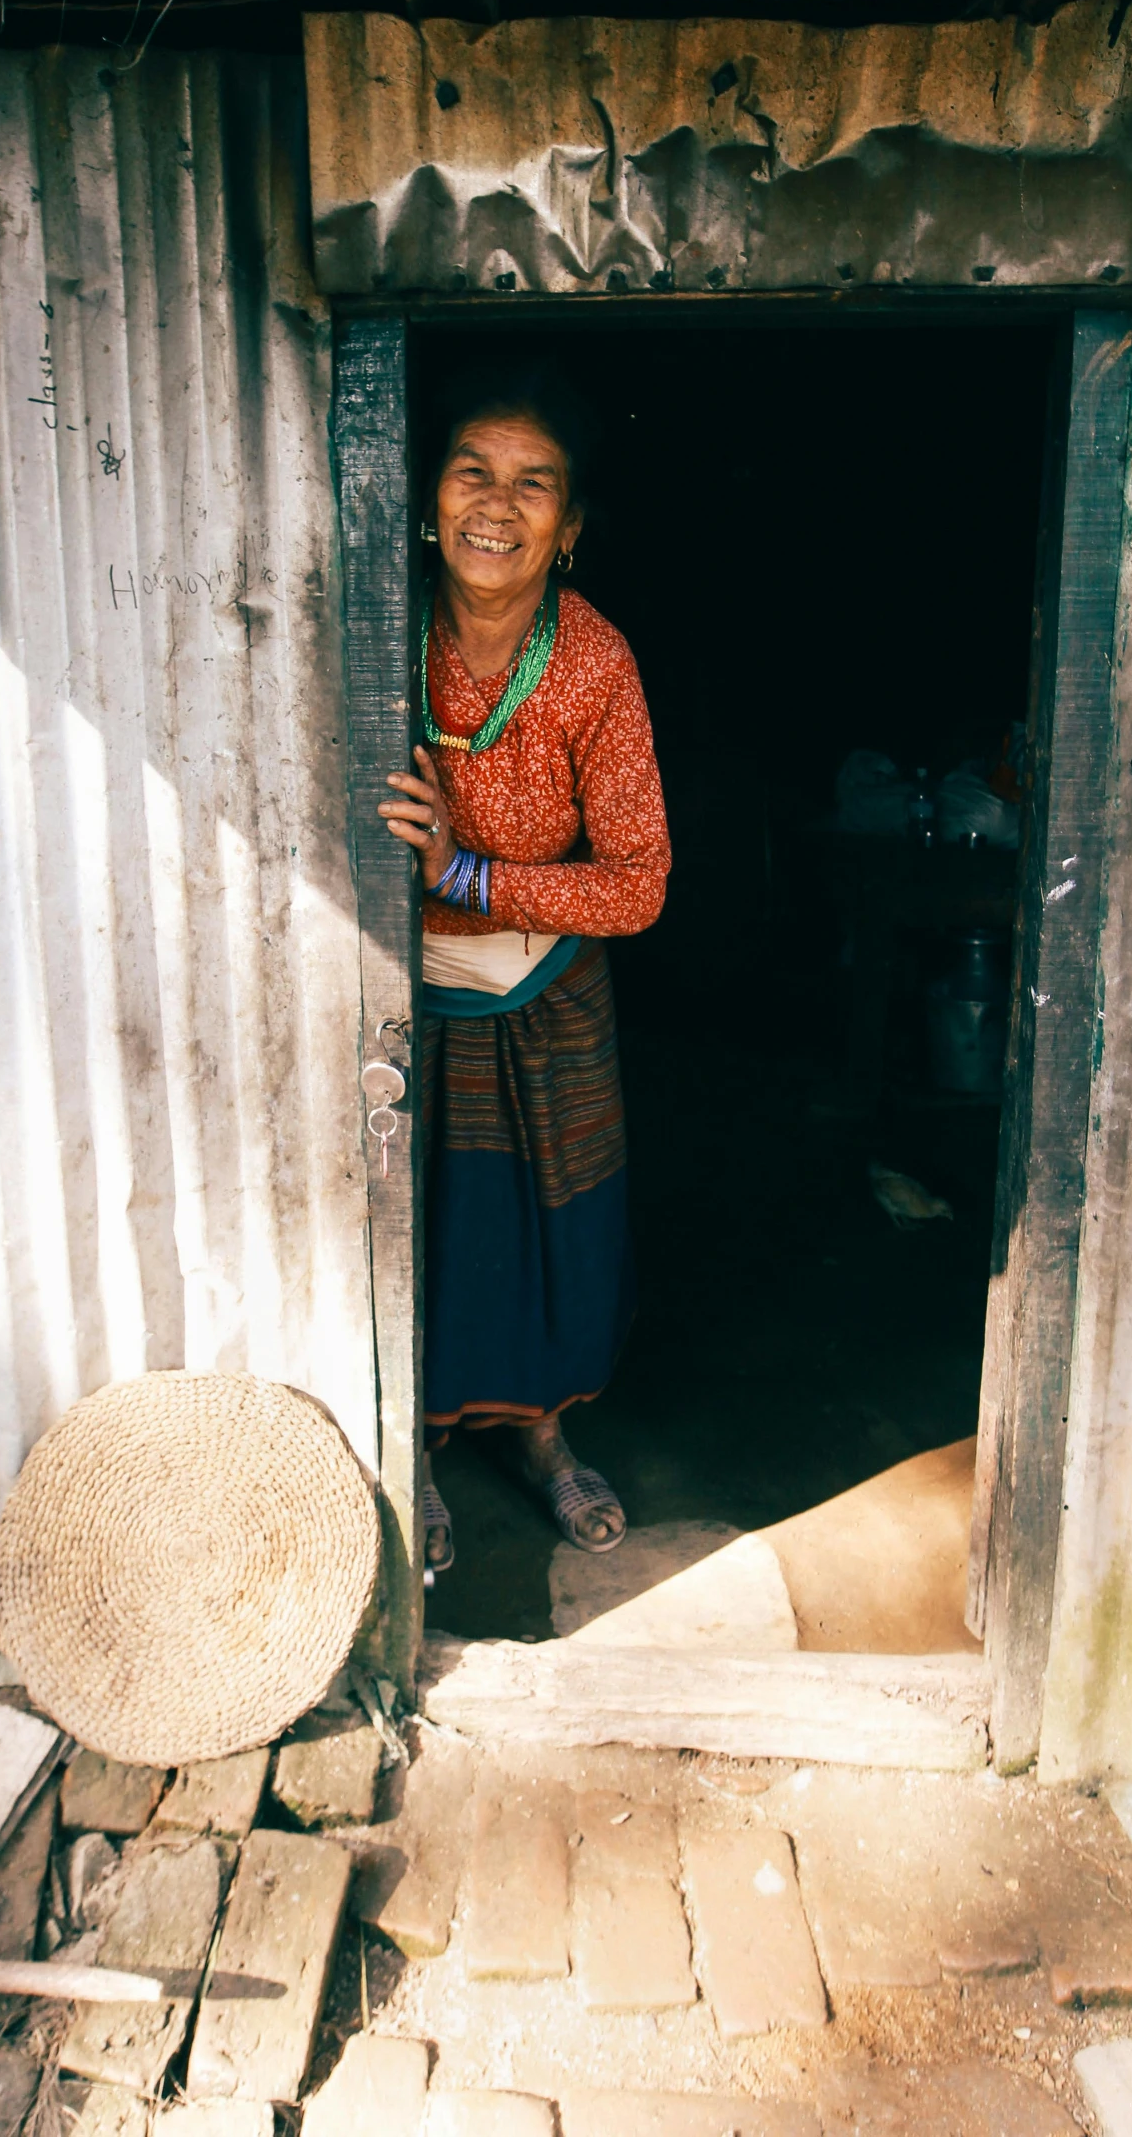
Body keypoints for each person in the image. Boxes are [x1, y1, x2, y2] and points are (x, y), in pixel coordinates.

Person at [378, 371, 669, 1568]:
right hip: (398, 992)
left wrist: (471, 877)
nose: (496, 505)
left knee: (552, 1229)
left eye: (531, 482)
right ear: (427, 500)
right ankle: (424, 1452)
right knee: (433, 1227)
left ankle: (542, 1436)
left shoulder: (592, 664)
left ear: (569, 527)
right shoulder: (377, 627)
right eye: (472, 472)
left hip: (544, 991)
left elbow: (639, 880)